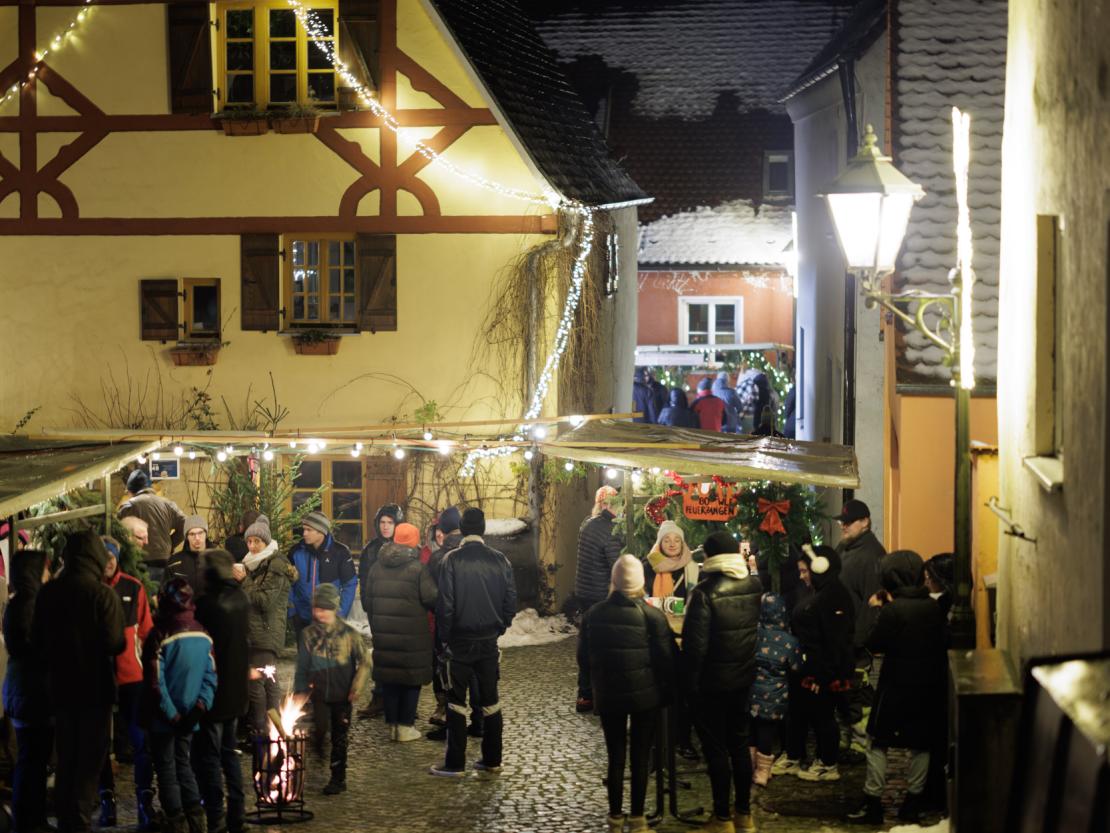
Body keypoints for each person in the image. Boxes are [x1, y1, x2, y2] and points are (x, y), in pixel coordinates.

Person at [33, 530, 125, 833]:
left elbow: (37, 640)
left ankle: (65, 820)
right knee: (88, 764)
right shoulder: (102, 594)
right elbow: (116, 642)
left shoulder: (48, 593)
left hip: (59, 688)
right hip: (94, 689)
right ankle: (80, 822)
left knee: (66, 759)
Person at [846, 551, 947, 826]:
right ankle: (912, 803)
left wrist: (879, 610)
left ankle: (873, 801)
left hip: (895, 684)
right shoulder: (932, 607)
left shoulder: (893, 609)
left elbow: (874, 643)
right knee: (919, 745)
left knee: (878, 741)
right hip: (926, 684)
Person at [579, 554, 676, 833]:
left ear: (614, 580)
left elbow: (583, 659)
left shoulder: (593, 615)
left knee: (616, 753)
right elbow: (665, 660)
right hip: (646, 697)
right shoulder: (652, 616)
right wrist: (665, 693)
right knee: (641, 755)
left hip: (609, 696)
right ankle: (637, 818)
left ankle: (614, 817)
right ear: (640, 583)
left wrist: (596, 683)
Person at [682, 531, 763, 833]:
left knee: (716, 749)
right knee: (739, 746)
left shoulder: (704, 593)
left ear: (711, 558)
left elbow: (695, 648)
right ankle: (744, 814)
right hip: (742, 679)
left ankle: (722, 818)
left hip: (712, 686)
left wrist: (689, 687)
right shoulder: (753, 585)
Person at [429, 508, 517, 778]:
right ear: (483, 529)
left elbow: (445, 606)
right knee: (490, 701)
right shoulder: (500, 560)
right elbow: (510, 603)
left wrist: (445, 640)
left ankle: (455, 763)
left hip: (460, 642)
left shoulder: (451, 560)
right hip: (488, 642)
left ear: (463, 530)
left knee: (456, 702)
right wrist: (498, 628)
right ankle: (492, 760)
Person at [141, 578, 216, 833]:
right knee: (184, 765)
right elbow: (210, 677)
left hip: (165, 719)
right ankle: (197, 821)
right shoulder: (203, 634)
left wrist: (172, 716)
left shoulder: (159, 634)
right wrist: (197, 711)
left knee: (166, 769)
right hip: (190, 715)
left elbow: (155, 683)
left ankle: (177, 823)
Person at [778, 545, 854, 783]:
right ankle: (794, 754)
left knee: (822, 716)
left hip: (821, 669)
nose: (801, 577)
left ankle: (827, 762)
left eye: (804, 571)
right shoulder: (816, 592)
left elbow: (835, 640)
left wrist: (825, 675)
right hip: (806, 666)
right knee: (799, 713)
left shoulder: (834, 596)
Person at [99, 537, 158, 831]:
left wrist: (148, 670)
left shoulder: (133, 587)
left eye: (111, 556)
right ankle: (106, 800)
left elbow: (146, 631)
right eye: (103, 556)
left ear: (117, 558)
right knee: (101, 744)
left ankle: (144, 800)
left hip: (131, 677)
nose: (108, 561)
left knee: (140, 742)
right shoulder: (91, 589)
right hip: (98, 679)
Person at [293, 584, 370, 795]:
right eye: (317, 609)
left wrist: (357, 686)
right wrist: (298, 692)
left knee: (340, 737)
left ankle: (338, 777)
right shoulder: (308, 634)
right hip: (318, 694)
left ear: (334, 608)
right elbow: (302, 665)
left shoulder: (349, 634)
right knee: (317, 730)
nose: (321, 613)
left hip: (342, 694)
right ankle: (318, 755)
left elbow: (365, 662)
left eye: (325, 609)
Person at [364, 522, 437, 742]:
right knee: (410, 679)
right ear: (414, 543)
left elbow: (368, 600)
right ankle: (405, 726)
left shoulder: (377, 567)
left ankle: (393, 725)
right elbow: (432, 598)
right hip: (411, 637)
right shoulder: (418, 569)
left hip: (384, 634)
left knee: (390, 678)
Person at [193, 550, 249, 833]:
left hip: (214, 691)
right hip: (236, 691)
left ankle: (215, 819)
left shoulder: (207, 605)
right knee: (230, 754)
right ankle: (237, 816)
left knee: (211, 758)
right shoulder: (241, 598)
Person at [4, 548, 53, 833]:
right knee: (32, 760)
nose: (47, 574)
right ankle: (28, 821)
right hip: (31, 691)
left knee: (32, 759)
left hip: (22, 688)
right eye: (44, 569)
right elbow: (36, 647)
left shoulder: (19, 602)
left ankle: (33, 819)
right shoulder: (31, 604)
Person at [835, 499, 887, 756]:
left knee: (858, 693)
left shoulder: (872, 555)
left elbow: (872, 603)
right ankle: (846, 738)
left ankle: (859, 742)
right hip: (841, 638)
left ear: (865, 522)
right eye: (842, 521)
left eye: (849, 521)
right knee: (844, 693)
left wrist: (860, 639)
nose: (843, 526)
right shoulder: (845, 548)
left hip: (855, 642)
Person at [237, 515, 296, 737]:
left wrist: (243, 580)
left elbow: (264, 601)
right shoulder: (254, 564)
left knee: (256, 685)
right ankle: (276, 730)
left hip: (265, 634)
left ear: (266, 543)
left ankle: (261, 732)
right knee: (270, 681)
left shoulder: (276, 566)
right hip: (258, 635)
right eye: (249, 542)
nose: (252, 546)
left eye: (257, 542)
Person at [573, 487, 623, 712]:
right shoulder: (609, 529)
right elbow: (616, 565)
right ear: (606, 505)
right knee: (602, 647)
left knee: (587, 643)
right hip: (600, 595)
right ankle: (599, 694)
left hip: (584, 594)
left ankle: (585, 694)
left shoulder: (587, 524)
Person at [425, 507, 470, 737]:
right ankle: (479, 720)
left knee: (444, 672)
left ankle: (449, 720)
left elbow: (433, 596)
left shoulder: (438, 558)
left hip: (446, 625)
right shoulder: (473, 552)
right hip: (472, 624)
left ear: (442, 529)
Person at [748, 593, 801, 786]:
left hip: (751, 691)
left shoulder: (753, 634)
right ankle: (763, 771)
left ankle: (749, 766)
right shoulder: (790, 641)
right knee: (766, 732)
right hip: (776, 695)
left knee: (751, 729)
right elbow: (796, 668)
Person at [357, 503, 403, 720]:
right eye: (382, 522)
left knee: (400, 656)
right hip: (378, 612)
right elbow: (365, 581)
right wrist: (369, 605)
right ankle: (380, 697)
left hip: (402, 612)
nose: (386, 527)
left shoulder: (405, 547)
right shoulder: (371, 550)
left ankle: (401, 702)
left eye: (390, 522)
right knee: (381, 655)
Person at [288, 512, 357, 645]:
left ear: (321, 532)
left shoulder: (340, 552)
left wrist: (340, 614)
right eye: (304, 529)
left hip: (329, 619)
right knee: (306, 661)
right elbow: (288, 582)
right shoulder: (296, 552)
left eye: (309, 530)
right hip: (302, 618)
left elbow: (350, 584)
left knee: (326, 662)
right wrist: (293, 611)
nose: (304, 533)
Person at [118, 469, 186, 584]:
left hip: (139, 562)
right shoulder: (167, 504)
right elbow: (185, 524)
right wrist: (171, 543)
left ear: (131, 489)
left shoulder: (129, 506)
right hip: (163, 560)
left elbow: (119, 532)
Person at [642, 520, 699, 599]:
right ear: (660, 544)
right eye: (667, 541)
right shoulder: (648, 566)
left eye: (677, 540)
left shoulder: (691, 566)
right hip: (654, 610)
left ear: (682, 544)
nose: (672, 544)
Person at [165, 515, 211, 595]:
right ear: (186, 537)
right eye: (192, 534)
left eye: (200, 533)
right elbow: (166, 591)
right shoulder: (174, 562)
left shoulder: (219, 559)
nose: (197, 538)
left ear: (206, 534)